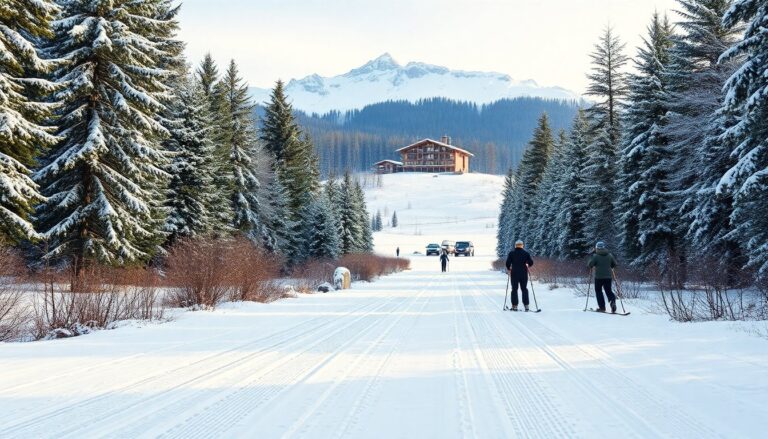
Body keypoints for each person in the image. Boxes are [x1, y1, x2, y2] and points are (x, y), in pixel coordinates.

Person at [588, 241, 618, 313]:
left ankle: (602, 307)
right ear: (604, 247)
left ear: (596, 248)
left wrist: (591, 256)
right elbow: (615, 264)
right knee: (608, 290)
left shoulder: (595, 256)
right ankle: (612, 302)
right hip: (608, 277)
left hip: (599, 277)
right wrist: (610, 266)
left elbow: (590, 265)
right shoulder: (609, 255)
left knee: (598, 291)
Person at [505, 240, 534, 311]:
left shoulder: (511, 253)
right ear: (522, 245)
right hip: (523, 273)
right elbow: (531, 262)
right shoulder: (526, 253)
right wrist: (527, 264)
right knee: (524, 289)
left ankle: (515, 306)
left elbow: (507, 263)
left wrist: (509, 268)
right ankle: (526, 306)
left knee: (514, 289)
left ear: (515, 245)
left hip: (514, 273)